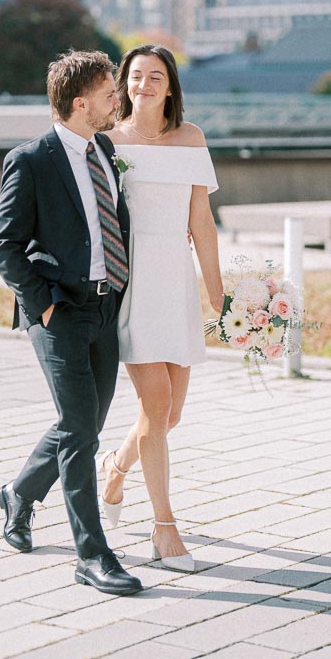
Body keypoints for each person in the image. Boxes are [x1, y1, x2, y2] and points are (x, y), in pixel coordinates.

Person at [0, 50, 142, 597]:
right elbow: (4, 245)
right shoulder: (30, 160)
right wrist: (44, 304)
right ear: (80, 103)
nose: (116, 101)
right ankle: (92, 555)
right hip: (59, 312)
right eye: (108, 93)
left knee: (83, 425)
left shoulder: (105, 149)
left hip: (105, 309)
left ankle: (18, 493)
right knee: (79, 429)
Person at [101, 44, 224, 571]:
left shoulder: (191, 138)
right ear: (124, 84)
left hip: (175, 279)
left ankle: (117, 466)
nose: (144, 85)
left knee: (171, 413)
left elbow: (202, 223)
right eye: (135, 76)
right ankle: (164, 528)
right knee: (155, 406)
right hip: (130, 281)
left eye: (155, 77)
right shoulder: (107, 142)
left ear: (170, 86)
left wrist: (219, 295)